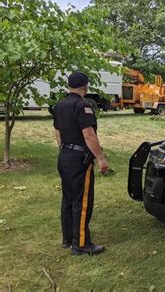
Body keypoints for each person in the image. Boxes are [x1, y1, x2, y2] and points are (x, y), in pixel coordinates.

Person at [53, 71, 109, 255]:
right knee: (82, 201)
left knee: (68, 198)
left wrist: (65, 150)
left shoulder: (59, 105)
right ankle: (82, 244)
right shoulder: (82, 106)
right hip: (79, 160)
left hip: (64, 156)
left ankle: (68, 238)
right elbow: (88, 134)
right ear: (85, 86)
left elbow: (58, 133)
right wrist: (100, 158)